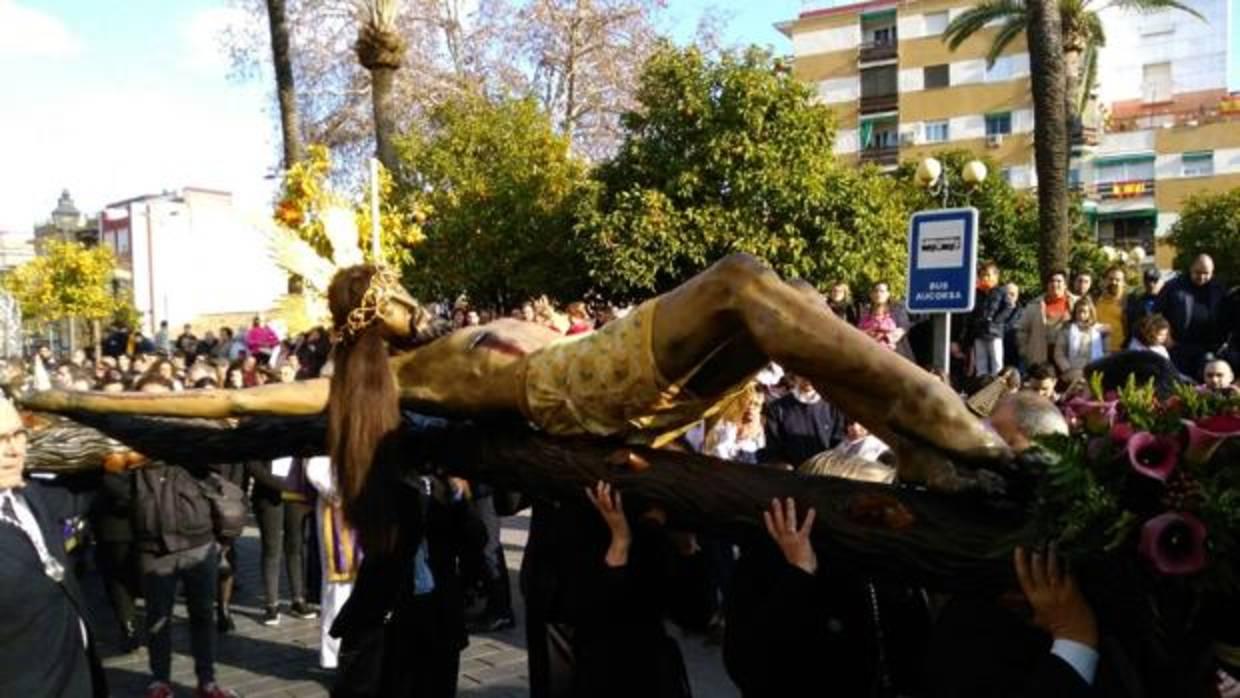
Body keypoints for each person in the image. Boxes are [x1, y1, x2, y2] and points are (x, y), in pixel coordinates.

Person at [25, 256, 1012, 541]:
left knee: (763, 306)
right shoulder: (392, 377)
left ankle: (938, 439)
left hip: (604, 371)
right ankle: (959, 432)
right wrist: (63, 397)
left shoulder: (438, 342)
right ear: (376, 314)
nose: (406, 294)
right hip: (583, 383)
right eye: (388, 292)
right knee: (741, 284)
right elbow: (240, 411)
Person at [130, 376, 239, 698]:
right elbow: (115, 484)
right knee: (157, 618)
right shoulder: (127, 437)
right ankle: (159, 680)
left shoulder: (192, 434)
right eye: (147, 399)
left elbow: (221, 467)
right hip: (153, 545)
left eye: (162, 400)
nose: (155, 407)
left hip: (197, 540)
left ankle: (207, 680)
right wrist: (134, 499)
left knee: (203, 614)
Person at [0, 397, 108, 698]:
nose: (13, 450)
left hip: (79, 677)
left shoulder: (30, 496)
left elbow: (92, 473)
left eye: (18, 434)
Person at [304, 455, 360, 669]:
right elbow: (316, 468)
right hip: (337, 513)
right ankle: (334, 656)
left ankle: (359, 650)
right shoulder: (324, 438)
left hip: (365, 515)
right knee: (338, 591)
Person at [1157, 254, 1227, 378]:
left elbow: (1227, 316)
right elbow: (1157, 314)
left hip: (1209, 347)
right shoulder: (1173, 287)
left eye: (1206, 273)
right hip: (1179, 346)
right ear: (1191, 269)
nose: (1201, 277)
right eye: (1198, 272)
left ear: (1212, 272)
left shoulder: (1219, 288)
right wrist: (1165, 336)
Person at [760, 374, 846, 468]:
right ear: (795, 375)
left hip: (823, 472)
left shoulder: (833, 406)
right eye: (802, 374)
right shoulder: (778, 408)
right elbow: (773, 446)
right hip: (791, 475)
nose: (807, 379)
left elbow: (839, 443)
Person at [1019, 271, 1078, 368]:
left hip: (1068, 356)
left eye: (1059, 281)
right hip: (1041, 356)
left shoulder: (1076, 303)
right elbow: (1022, 330)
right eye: (1051, 281)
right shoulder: (1034, 305)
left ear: (1065, 285)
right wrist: (1025, 352)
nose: (1055, 284)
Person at [969, 261, 1012, 376]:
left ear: (996, 276)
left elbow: (1008, 308)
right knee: (980, 362)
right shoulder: (976, 293)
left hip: (994, 332)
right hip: (979, 332)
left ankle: (996, 388)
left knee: (996, 363)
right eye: (982, 275)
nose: (985, 278)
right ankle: (981, 385)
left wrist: (995, 321)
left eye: (988, 275)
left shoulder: (1001, 291)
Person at [1054, 299, 1106, 384]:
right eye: (1079, 312)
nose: (1081, 315)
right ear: (1074, 313)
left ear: (1090, 313)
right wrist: (1069, 370)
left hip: (1095, 373)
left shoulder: (1101, 330)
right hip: (1072, 372)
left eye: (1085, 312)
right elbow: (1059, 354)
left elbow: (1106, 352)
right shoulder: (1066, 330)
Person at [858, 281, 910, 352]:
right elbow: (859, 333)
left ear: (888, 294)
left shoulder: (897, 311)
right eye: (876, 291)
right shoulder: (865, 313)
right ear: (871, 294)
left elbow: (903, 328)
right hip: (869, 353)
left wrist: (884, 338)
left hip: (893, 355)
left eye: (882, 291)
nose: (878, 294)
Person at [1124, 268, 1164, 347]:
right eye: (1147, 280)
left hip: (1160, 343)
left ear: (1160, 281)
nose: (1151, 284)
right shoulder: (1136, 301)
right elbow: (1129, 324)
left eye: (1154, 280)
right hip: (1140, 344)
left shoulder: (1166, 299)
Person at [1094, 266, 1127, 354]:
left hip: (1119, 352)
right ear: (1104, 281)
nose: (1114, 282)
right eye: (1110, 279)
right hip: (1096, 350)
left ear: (1123, 283)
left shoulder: (1128, 303)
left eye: (1118, 280)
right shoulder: (1095, 300)